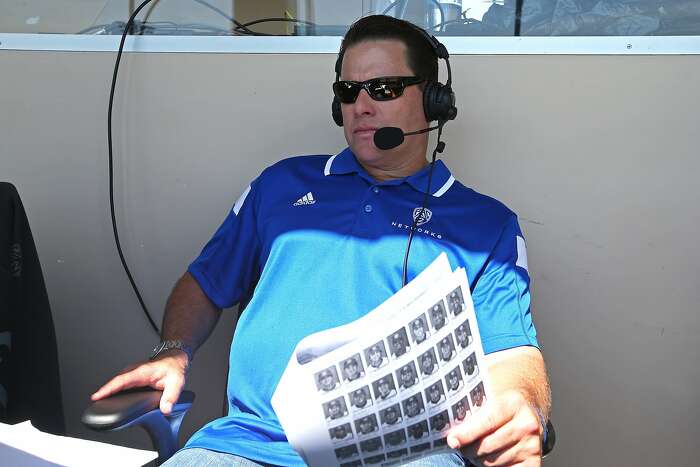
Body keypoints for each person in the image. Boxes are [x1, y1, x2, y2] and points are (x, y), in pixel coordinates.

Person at [92, 14, 550, 467]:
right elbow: (205, 283)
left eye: (384, 88)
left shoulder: (486, 225)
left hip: (410, 454)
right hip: (244, 447)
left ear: (433, 102)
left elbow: (512, 352)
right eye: (348, 92)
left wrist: (521, 401)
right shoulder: (280, 185)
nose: (362, 106)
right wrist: (173, 352)